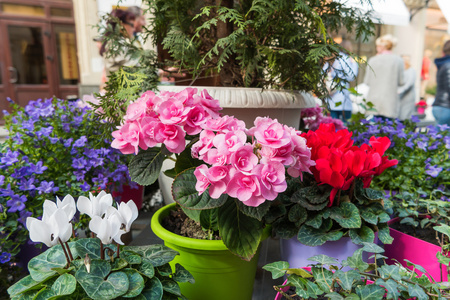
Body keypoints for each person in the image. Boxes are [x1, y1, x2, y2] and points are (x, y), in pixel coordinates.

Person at [364, 34, 405, 120]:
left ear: (380, 47)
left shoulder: (373, 60)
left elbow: (367, 81)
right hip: (390, 101)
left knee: (372, 130)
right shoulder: (398, 60)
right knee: (388, 130)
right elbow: (402, 82)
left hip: (374, 101)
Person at [324, 40, 358, 123]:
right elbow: (351, 76)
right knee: (343, 128)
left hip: (330, 100)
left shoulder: (332, 59)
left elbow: (323, 73)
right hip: (343, 101)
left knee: (331, 127)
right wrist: (354, 63)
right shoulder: (347, 59)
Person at [432, 40, 450, 126]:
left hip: (442, 106)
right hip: (445, 107)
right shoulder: (448, 65)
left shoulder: (445, 64)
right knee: (441, 137)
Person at [397, 55, 416, 120]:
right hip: (399, 96)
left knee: (405, 116)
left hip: (407, 96)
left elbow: (409, 83)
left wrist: (400, 90)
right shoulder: (401, 70)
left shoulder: (411, 70)